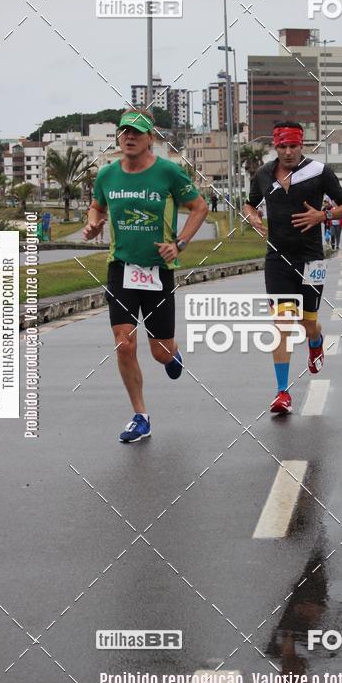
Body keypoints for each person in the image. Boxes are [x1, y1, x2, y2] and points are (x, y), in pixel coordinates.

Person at [83, 111, 208, 441]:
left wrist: (179, 244)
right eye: (124, 131)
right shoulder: (107, 174)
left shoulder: (168, 172)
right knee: (124, 344)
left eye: (137, 132)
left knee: (160, 353)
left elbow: (200, 208)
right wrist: (93, 223)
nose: (129, 137)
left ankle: (172, 353)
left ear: (151, 137)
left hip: (158, 270)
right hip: (121, 267)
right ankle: (140, 416)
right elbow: (97, 206)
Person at [243, 121, 342, 414]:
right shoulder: (263, 174)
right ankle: (282, 392)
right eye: (283, 146)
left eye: (293, 146)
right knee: (283, 323)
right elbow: (250, 204)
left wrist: (323, 215)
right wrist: (252, 217)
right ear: (275, 147)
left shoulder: (319, 172)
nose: (288, 152)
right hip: (277, 259)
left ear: (301, 145)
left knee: (307, 322)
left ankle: (315, 341)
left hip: (311, 259)